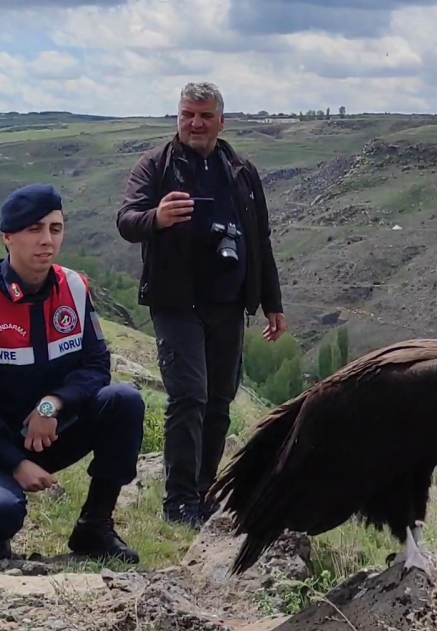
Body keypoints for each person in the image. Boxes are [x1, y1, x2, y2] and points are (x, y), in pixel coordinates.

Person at [0, 183, 145, 563]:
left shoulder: (74, 287)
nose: (47, 240)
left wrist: (52, 404)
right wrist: (15, 463)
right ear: (8, 237)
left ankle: (95, 527)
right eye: (34, 230)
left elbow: (95, 366)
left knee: (124, 401)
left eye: (55, 229)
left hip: (40, 430)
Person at [116, 81, 285, 528]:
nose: (196, 123)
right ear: (177, 117)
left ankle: (205, 493)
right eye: (188, 114)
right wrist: (158, 217)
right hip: (175, 303)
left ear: (221, 121)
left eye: (205, 115)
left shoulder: (241, 171)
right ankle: (178, 502)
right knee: (188, 397)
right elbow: (127, 221)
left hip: (229, 304)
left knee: (218, 401)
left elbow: (259, 239)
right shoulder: (156, 166)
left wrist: (272, 302)